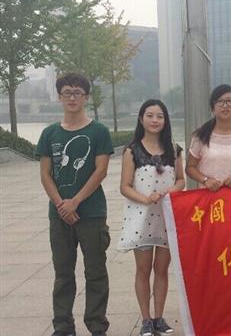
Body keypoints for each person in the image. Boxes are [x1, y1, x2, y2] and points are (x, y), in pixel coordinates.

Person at [36, 73, 113, 336]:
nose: (72, 97)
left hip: (92, 214)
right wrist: (61, 204)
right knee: (63, 273)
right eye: (67, 92)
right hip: (59, 215)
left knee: (96, 272)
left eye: (77, 92)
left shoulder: (99, 131)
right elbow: (45, 174)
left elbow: (101, 171)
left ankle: (97, 325)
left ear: (86, 97)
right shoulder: (49, 133)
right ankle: (63, 326)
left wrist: (76, 202)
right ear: (59, 96)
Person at [118, 100, 185, 336]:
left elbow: (180, 180)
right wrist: (145, 199)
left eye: (160, 116)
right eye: (150, 115)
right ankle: (146, 319)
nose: (155, 120)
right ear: (141, 119)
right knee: (143, 269)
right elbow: (125, 186)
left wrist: (169, 193)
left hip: (166, 218)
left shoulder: (174, 150)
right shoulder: (132, 150)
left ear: (165, 120)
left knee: (162, 268)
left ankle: (159, 318)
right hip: (141, 217)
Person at [186, 84, 231, 190]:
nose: (225, 105)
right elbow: (190, 167)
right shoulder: (201, 135)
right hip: (209, 195)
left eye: (230, 101)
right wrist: (205, 180)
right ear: (213, 108)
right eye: (220, 101)